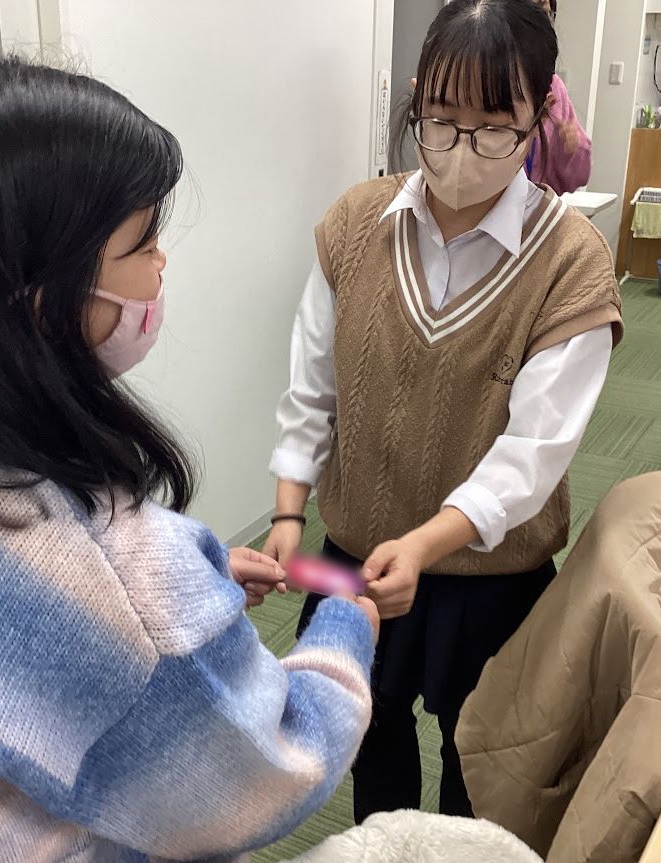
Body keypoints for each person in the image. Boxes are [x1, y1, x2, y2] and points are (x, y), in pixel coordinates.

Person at [0, 56, 379, 863]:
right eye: (142, 242)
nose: (161, 263)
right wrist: (349, 619)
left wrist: (187, 606)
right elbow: (270, 772)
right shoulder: (122, 580)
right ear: (43, 300)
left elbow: (13, 663)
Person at [263, 0, 622, 824]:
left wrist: (426, 544)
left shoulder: (570, 263)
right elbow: (311, 387)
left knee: (481, 759)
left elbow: (531, 455)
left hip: (490, 578)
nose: (462, 148)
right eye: (441, 119)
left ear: (538, 113)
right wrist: (287, 511)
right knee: (368, 733)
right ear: (416, 100)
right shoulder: (355, 224)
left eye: (493, 126)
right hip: (358, 555)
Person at [525, 0, 593, 193]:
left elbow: (579, 176)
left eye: (547, 13)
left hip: (537, 206)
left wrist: (571, 149)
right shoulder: (482, 82)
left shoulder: (554, 88)